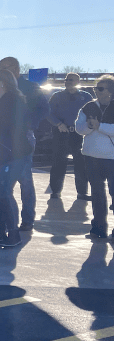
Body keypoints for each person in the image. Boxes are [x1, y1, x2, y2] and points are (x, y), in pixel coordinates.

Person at [0, 69, 31, 248]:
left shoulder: (14, 100)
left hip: (13, 155)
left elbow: (11, 125)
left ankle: (14, 234)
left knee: (3, 192)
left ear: (2, 82)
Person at [0, 57, 49, 231]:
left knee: (25, 179)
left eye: (6, 68)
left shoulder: (29, 87)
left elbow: (44, 109)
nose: (2, 71)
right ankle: (8, 219)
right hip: (2, 138)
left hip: (23, 137)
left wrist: (29, 123)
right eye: (0, 68)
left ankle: (27, 219)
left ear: (16, 69)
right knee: (4, 181)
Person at [75, 74, 114, 239]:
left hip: (112, 158)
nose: (96, 91)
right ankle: (98, 228)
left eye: (100, 88)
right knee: (97, 194)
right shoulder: (88, 106)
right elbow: (78, 128)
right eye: (95, 88)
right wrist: (90, 127)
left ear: (110, 91)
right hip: (91, 157)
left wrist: (100, 126)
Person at [47, 73, 94, 200]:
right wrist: (58, 124)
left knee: (81, 164)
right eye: (66, 80)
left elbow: (93, 112)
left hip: (79, 134)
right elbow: (48, 113)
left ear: (78, 82)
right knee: (58, 162)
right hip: (61, 132)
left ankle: (82, 193)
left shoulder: (86, 96)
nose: (67, 82)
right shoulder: (57, 96)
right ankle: (55, 191)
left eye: (71, 80)